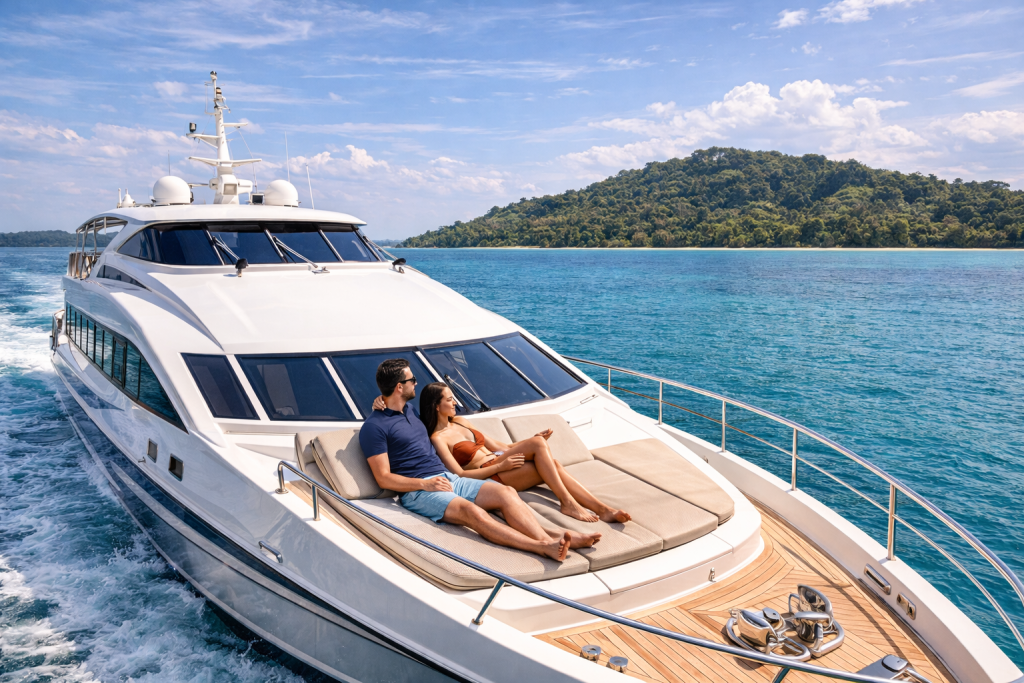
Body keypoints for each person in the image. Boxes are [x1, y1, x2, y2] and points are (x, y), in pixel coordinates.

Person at [359, 359, 600, 563]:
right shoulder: (374, 428)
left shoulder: (410, 411)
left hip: (449, 479)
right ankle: (543, 546)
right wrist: (425, 484)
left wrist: (381, 399)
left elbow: (426, 414)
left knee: (506, 492)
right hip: (419, 491)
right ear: (399, 387)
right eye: (412, 380)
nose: (416, 383)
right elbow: (383, 478)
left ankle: (552, 538)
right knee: (470, 511)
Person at [418, 382, 631, 524]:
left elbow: (500, 446)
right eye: (449, 399)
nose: (455, 402)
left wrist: (530, 441)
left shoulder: (461, 421)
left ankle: (603, 509)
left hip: (501, 462)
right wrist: (500, 465)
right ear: (436, 406)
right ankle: (568, 503)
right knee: (540, 448)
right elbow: (460, 475)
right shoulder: (438, 438)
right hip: (490, 475)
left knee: (552, 463)